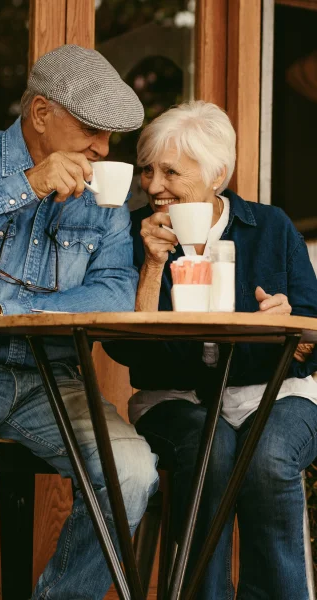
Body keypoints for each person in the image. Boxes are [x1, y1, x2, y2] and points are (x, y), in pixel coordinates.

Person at [0, 44, 158, 600]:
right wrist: (26, 184)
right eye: (92, 129)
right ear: (42, 114)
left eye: (110, 136)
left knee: (133, 474)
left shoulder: (105, 194)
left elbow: (117, 291)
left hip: (53, 382)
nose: (103, 148)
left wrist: (3, 317)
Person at [105, 101, 317, 599]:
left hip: (275, 393)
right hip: (176, 399)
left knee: (268, 458)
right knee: (211, 451)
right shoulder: (133, 235)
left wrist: (290, 327)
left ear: (217, 174)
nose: (153, 185)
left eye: (171, 171)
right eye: (147, 170)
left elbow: (313, 325)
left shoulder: (271, 228)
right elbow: (123, 347)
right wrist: (151, 268)